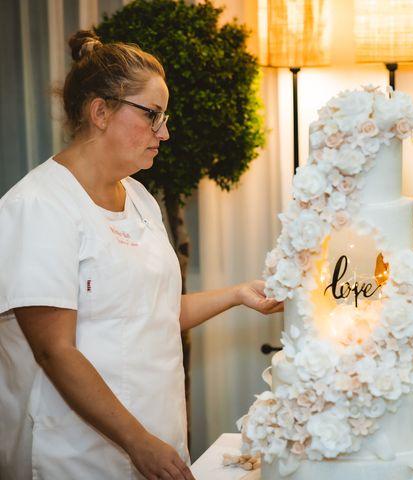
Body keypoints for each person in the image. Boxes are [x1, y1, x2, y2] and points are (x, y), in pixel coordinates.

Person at [0, 30, 282, 480]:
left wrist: (236, 294)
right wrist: (137, 441)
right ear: (100, 112)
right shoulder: (37, 207)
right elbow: (55, 351)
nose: (164, 133)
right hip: (73, 454)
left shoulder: (139, 197)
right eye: (152, 115)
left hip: (156, 437)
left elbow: (152, 314)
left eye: (164, 117)